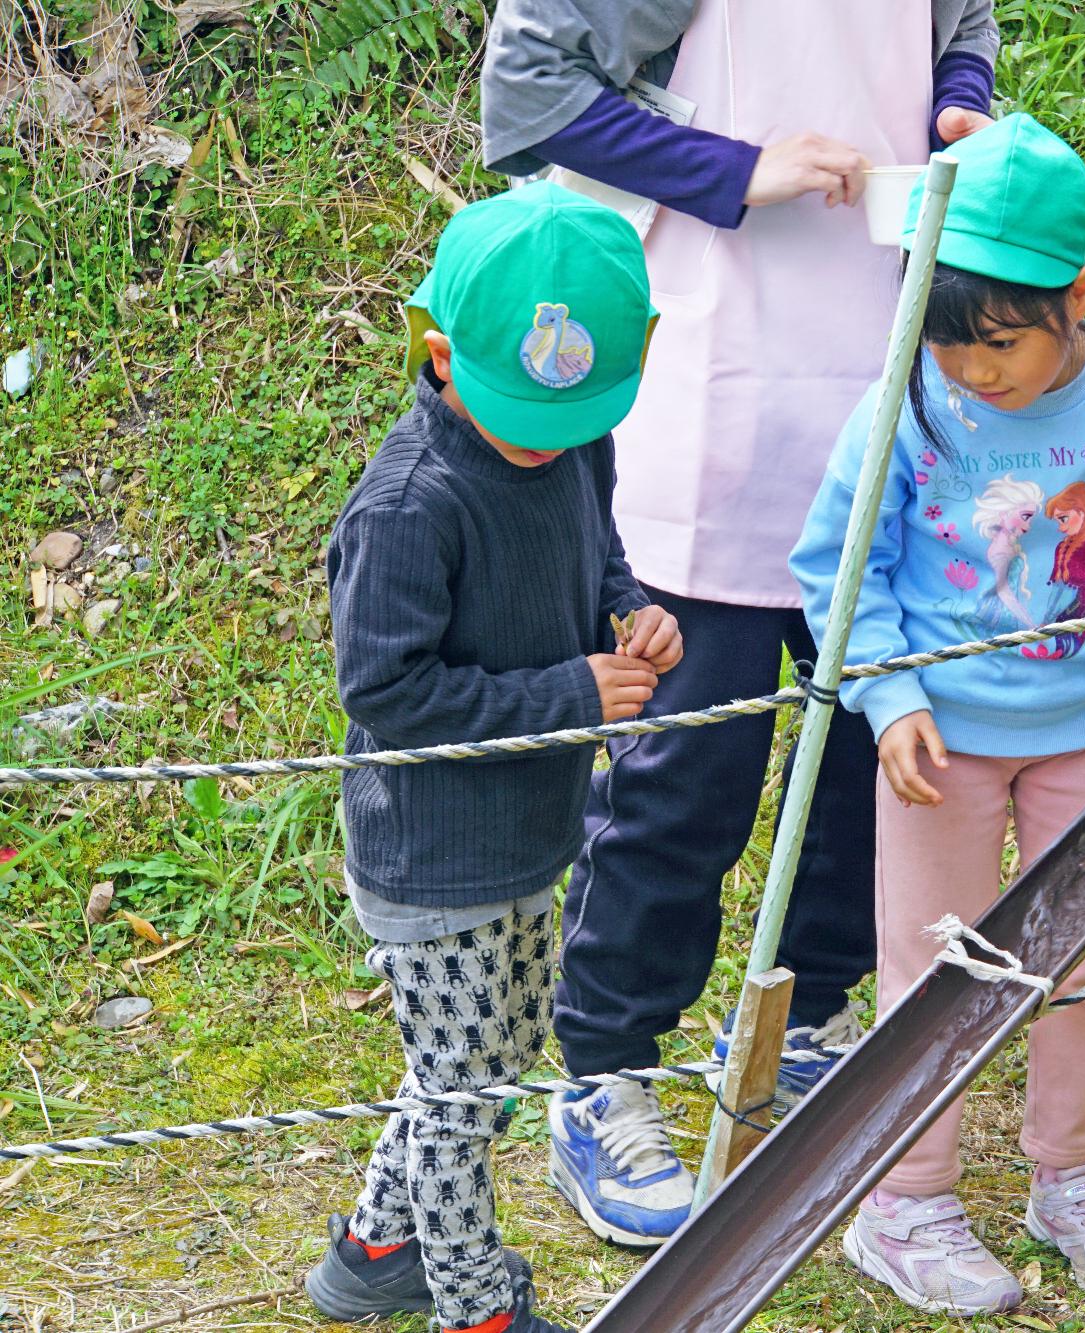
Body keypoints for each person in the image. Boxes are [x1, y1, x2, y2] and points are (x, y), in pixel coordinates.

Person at [478, 0, 1000, 1244]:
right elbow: (532, 92)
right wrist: (738, 170)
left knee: (869, 757)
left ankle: (808, 1016)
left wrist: (956, 109)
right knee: (680, 772)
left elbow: (960, 25)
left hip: (880, 358)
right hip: (709, 375)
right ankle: (605, 1074)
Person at [791, 115, 1085, 1315]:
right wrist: (885, 697)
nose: (971, 373)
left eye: (995, 345)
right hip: (935, 736)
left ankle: (1068, 1175)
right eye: (946, 344)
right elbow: (840, 562)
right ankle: (904, 1198)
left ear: (1075, 295)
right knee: (928, 965)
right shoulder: (910, 400)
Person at [307, 182, 681, 1333]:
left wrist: (628, 611)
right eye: (519, 411)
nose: (546, 441)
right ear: (436, 352)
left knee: (480, 1063)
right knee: (467, 1099)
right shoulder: (409, 507)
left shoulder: (576, 441)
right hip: (435, 855)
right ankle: (471, 1307)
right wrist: (570, 690)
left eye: (571, 420)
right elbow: (385, 688)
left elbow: (594, 550)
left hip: (531, 823)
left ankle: (374, 1248)